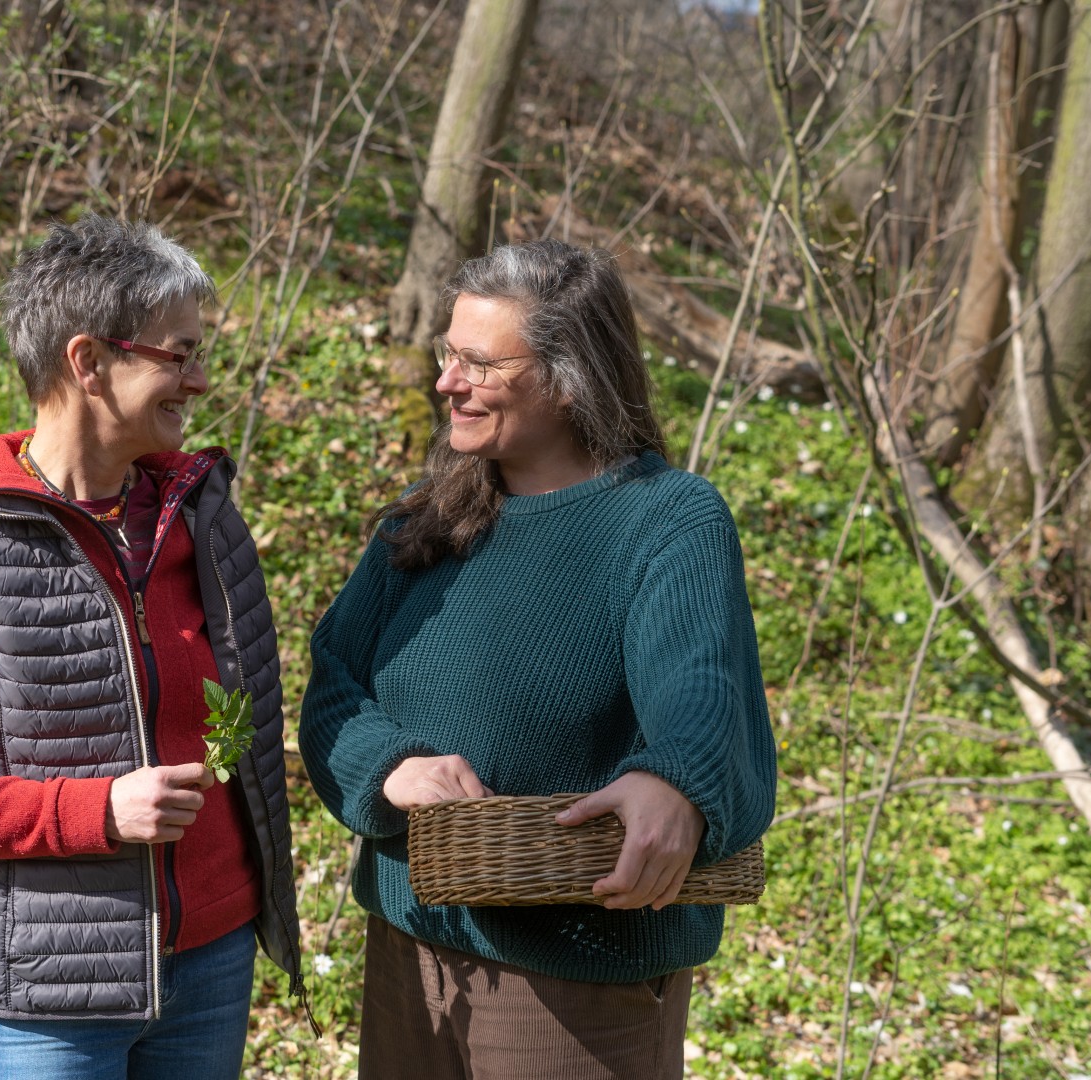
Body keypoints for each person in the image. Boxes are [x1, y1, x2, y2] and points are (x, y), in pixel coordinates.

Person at [299, 239, 776, 1080]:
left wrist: (676, 781)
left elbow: (703, 694)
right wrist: (390, 767)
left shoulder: (666, 521)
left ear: (568, 378)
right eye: (449, 353)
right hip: (408, 958)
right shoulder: (425, 522)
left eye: (479, 364)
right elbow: (332, 681)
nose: (448, 381)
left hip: (576, 984)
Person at [0, 213, 303, 1079]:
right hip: (50, 998)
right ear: (89, 360)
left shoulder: (202, 522)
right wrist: (95, 812)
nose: (201, 380)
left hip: (211, 959)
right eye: (179, 354)